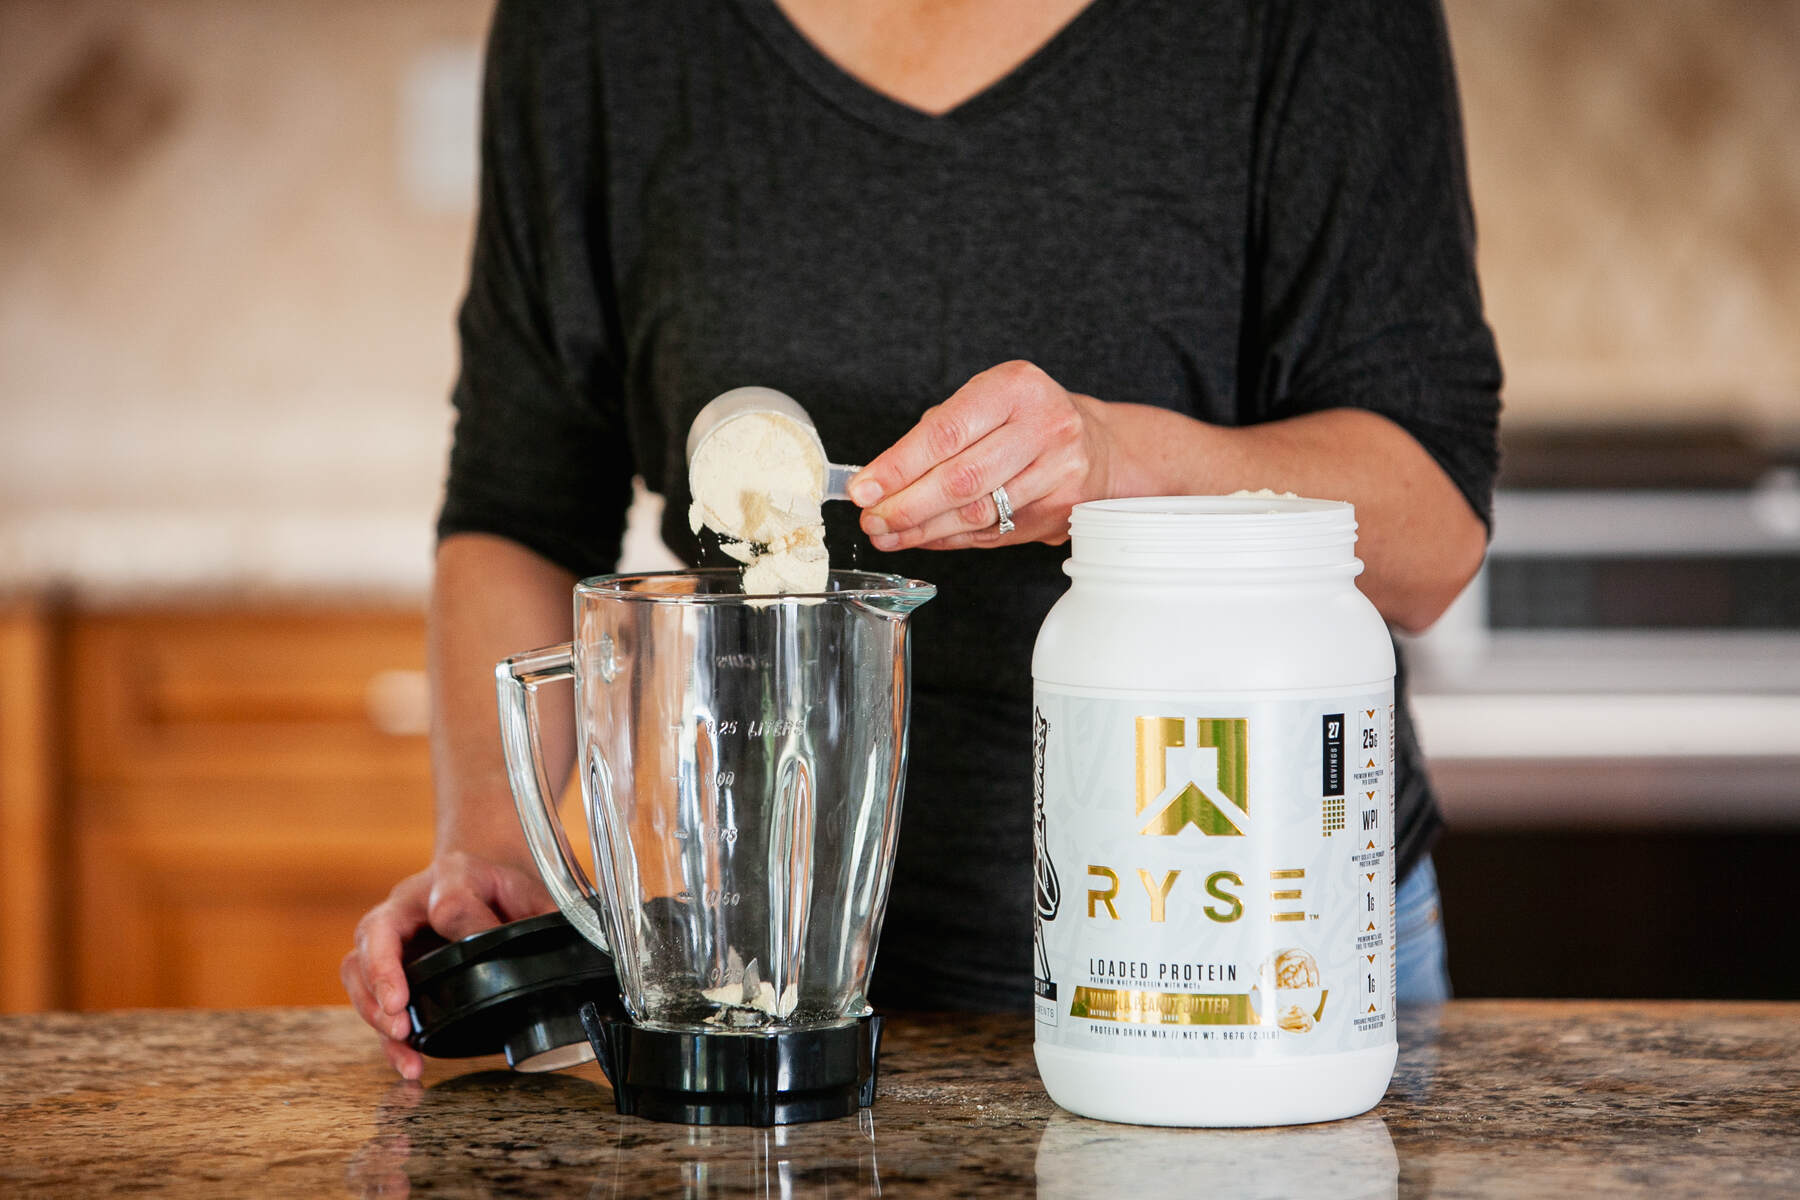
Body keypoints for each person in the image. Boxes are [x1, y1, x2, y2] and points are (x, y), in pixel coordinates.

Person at [343, 0, 1500, 1079]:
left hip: (1258, 967)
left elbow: (1430, 535)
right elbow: (518, 507)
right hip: (755, 998)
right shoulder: (596, 29)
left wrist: (1111, 459)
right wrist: (502, 848)